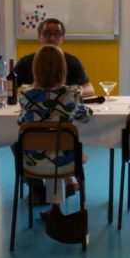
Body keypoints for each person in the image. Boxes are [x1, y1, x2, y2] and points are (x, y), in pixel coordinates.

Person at [18, 44, 91, 221]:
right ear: (63, 69)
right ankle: (61, 198)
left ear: (35, 69)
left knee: (48, 148)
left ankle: (55, 206)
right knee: (58, 149)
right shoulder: (72, 94)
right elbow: (84, 117)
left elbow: (21, 121)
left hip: (32, 163)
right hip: (66, 163)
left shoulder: (25, 96)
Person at [15, 18, 94, 97]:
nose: (52, 38)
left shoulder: (73, 61)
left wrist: (69, 94)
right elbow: (10, 87)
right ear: (39, 36)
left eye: (57, 34)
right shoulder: (25, 62)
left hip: (64, 103)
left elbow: (89, 89)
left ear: (63, 38)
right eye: (47, 33)